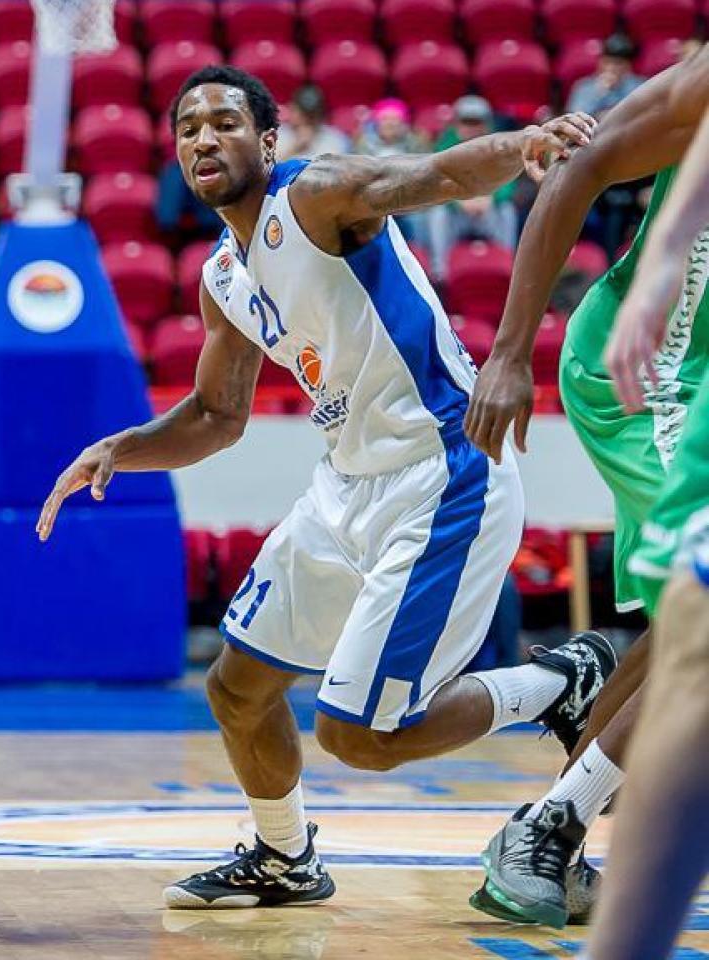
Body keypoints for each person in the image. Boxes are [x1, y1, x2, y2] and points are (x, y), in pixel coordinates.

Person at [36, 65, 605, 910]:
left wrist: (522, 144)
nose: (203, 138)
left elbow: (435, 175)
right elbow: (216, 416)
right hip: (344, 485)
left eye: (225, 122)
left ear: (268, 142)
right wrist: (121, 448)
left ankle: (558, 682)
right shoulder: (222, 279)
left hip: (443, 475)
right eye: (188, 128)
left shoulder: (316, 194)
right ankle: (283, 858)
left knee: (360, 735)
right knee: (236, 687)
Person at [462, 48, 709, 928]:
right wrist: (507, 352)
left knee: (689, 626)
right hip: (652, 373)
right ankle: (548, 829)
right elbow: (582, 164)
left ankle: (563, 800)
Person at [585, 96, 709, 960]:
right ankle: (557, 822)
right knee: (697, 632)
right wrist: (665, 256)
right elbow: (579, 169)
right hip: (672, 367)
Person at [426, 96, 519, 276]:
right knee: (438, 213)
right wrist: (458, 201)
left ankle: (508, 264)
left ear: (487, 123)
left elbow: (509, 182)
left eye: (477, 122)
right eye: (466, 122)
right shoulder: (445, 145)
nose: (471, 128)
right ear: (456, 123)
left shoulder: (499, 144)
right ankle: (440, 271)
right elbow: (437, 180)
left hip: (488, 211)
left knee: (507, 210)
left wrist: (491, 198)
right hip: (458, 213)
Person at [566, 34, 643, 120]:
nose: (611, 68)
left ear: (628, 65)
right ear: (599, 62)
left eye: (618, 63)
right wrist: (599, 92)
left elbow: (641, 116)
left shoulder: (639, 86)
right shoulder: (584, 86)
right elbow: (576, 118)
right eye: (607, 62)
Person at [274, 85, 350, 162]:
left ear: (320, 115)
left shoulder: (336, 139)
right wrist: (294, 149)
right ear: (292, 108)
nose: (306, 119)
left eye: (311, 116)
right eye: (302, 114)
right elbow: (269, 167)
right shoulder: (277, 136)